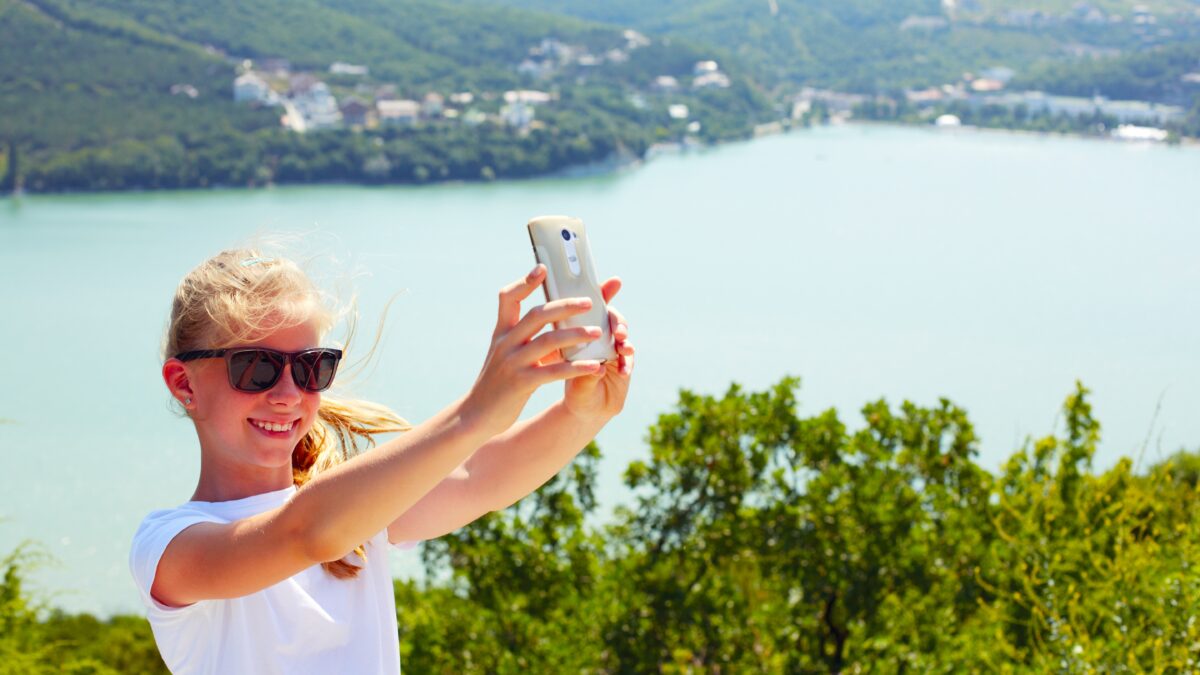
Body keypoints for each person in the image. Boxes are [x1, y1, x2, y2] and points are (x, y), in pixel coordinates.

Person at [128, 247, 635, 674]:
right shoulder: (169, 546)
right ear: (183, 383)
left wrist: (584, 413)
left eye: (311, 367)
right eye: (256, 367)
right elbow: (303, 534)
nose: (287, 393)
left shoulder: (355, 513)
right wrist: (476, 412)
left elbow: (477, 475)